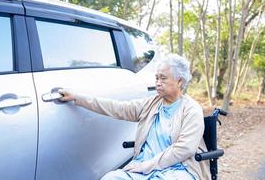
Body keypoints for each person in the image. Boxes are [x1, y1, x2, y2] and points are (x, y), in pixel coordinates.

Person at [59, 54, 210, 180]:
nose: (157, 83)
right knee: (111, 178)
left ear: (180, 81)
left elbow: (185, 149)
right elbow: (117, 107)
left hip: (178, 170)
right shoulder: (152, 103)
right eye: (156, 78)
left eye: (163, 79)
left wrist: (146, 166)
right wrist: (78, 97)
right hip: (143, 168)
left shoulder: (191, 109)